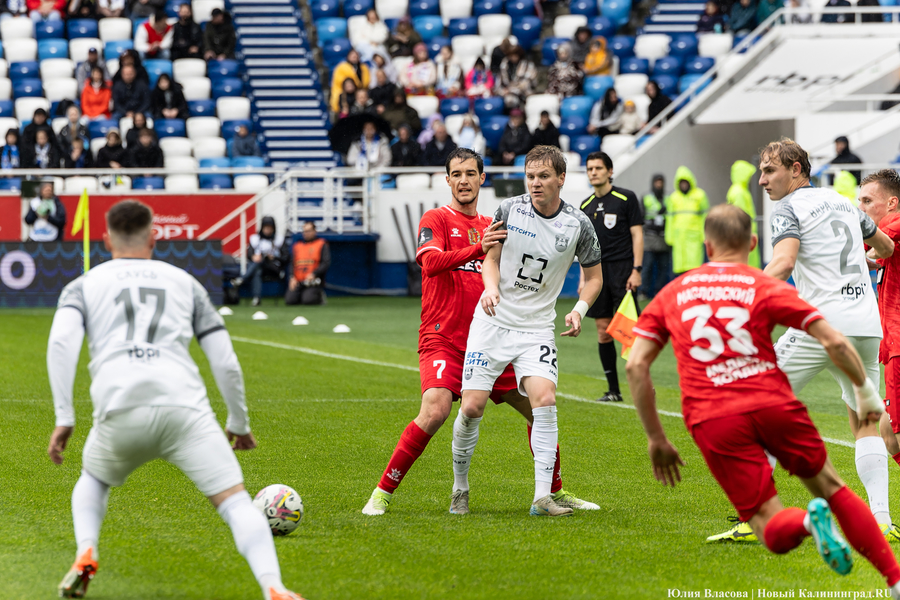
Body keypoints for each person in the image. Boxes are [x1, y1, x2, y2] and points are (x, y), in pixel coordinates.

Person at [626, 203, 900, 595]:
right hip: (774, 404)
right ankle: (895, 580)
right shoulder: (763, 285)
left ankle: (806, 522)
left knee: (766, 525)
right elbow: (835, 341)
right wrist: (865, 392)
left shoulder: (674, 292)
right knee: (833, 489)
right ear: (753, 243)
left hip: (715, 417)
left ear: (707, 246)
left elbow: (636, 366)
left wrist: (656, 438)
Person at [47, 200, 306, 600]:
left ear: (106, 239)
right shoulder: (185, 282)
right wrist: (238, 422)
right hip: (185, 410)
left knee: (94, 481)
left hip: (120, 408)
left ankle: (86, 550)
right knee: (236, 503)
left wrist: (65, 416)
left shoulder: (83, 284)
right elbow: (225, 360)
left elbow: (61, 343)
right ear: (154, 238)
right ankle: (273, 586)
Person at [362, 147, 598, 516]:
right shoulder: (437, 219)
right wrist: (476, 249)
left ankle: (553, 491)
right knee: (436, 410)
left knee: (540, 409)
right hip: (443, 338)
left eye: (470, 173)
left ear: (482, 178)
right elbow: (430, 263)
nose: (463, 181)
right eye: (456, 174)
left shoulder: (496, 221)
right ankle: (383, 492)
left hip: (497, 337)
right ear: (447, 180)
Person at [708, 138, 899, 544]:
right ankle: (882, 521)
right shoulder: (843, 202)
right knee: (865, 421)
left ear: (796, 169)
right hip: (866, 326)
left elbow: (784, 262)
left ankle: (755, 518)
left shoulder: (789, 208)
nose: (762, 180)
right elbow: (885, 246)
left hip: (820, 325)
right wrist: (857, 261)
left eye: (769, 170)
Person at [452, 145, 603, 517]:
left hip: (536, 328)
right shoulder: (509, 210)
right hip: (493, 322)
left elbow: (595, 278)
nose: (535, 183)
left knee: (545, 400)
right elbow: (490, 260)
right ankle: (460, 489)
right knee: (471, 406)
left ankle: (541, 498)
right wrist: (490, 288)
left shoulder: (579, 224)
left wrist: (579, 309)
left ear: (561, 179)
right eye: (530, 176)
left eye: (544, 176)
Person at [578, 151, 643, 403]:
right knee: (603, 331)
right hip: (597, 274)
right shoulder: (584, 206)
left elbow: (637, 235)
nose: (593, 172)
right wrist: (584, 278)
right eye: (590, 169)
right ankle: (613, 390)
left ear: (610, 171)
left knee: (631, 331)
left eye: (598, 168)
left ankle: (642, 387)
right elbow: (583, 246)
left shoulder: (626, 198)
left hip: (623, 271)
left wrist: (636, 270)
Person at [858, 170, 900, 467]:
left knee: (895, 433)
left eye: (867, 201)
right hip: (892, 345)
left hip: (899, 345)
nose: (861, 208)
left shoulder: (895, 223)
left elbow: (872, 244)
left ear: (891, 203)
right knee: (888, 433)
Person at [233, 215, 286, 306]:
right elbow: (249, 254)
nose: (268, 230)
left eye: (270, 228)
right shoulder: (255, 239)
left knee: (261, 261)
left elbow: (286, 257)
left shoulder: (279, 240)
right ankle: (257, 299)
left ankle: (242, 278)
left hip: (274, 267)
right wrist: (253, 257)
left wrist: (274, 257)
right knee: (257, 270)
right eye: (266, 228)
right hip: (259, 266)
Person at [665, 166, 708, 275]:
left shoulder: (699, 195)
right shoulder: (674, 198)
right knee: (680, 269)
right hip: (679, 238)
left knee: (694, 268)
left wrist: (705, 235)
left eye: (685, 182)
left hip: (694, 237)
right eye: (681, 183)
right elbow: (670, 218)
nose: (684, 185)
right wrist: (669, 236)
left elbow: (705, 216)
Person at [286, 221, 330, 306]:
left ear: (314, 231)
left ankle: (319, 296)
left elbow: (326, 263)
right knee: (290, 300)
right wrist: (292, 277)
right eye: (304, 231)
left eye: (308, 231)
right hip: (298, 281)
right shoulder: (298, 246)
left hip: (313, 281)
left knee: (308, 300)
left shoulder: (321, 244)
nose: (306, 234)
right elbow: (292, 263)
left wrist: (315, 274)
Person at [641, 174, 670, 299]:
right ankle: (643, 292)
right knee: (647, 266)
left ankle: (659, 291)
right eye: (657, 182)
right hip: (650, 237)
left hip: (664, 237)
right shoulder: (646, 198)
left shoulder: (668, 199)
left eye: (661, 182)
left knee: (663, 267)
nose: (659, 185)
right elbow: (641, 216)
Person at [726, 159, 760, 269]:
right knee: (749, 267)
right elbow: (740, 216)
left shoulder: (738, 190)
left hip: (744, 234)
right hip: (745, 235)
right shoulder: (739, 192)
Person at [495, 45, 536, 110]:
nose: (512, 58)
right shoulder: (504, 65)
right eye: (510, 56)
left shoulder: (528, 65)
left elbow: (527, 83)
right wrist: (503, 91)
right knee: (507, 100)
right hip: (507, 93)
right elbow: (499, 83)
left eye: (514, 55)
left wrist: (512, 89)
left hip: (523, 93)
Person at [330, 49, 369, 114]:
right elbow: (340, 81)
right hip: (344, 95)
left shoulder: (363, 67)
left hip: (358, 94)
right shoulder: (342, 67)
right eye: (352, 55)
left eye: (356, 55)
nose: (355, 57)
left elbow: (366, 82)